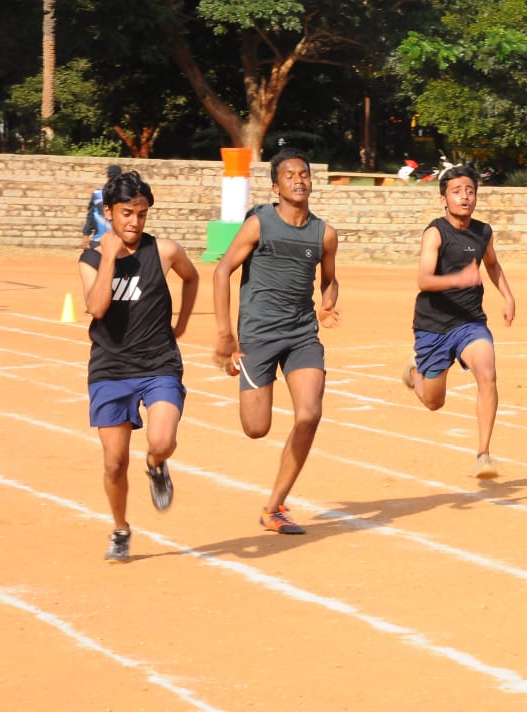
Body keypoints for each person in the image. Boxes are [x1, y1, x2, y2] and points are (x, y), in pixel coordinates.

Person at [212, 147, 340, 535]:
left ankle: (275, 507)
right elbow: (222, 271)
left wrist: (328, 303)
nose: (299, 180)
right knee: (256, 427)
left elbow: (329, 279)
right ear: (275, 186)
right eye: (289, 175)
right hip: (259, 335)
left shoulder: (324, 233)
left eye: (304, 174)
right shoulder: (259, 224)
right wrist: (225, 334)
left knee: (309, 414)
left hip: (302, 335)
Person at [77, 171, 199, 562]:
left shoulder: (164, 251)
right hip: (110, 368)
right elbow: (97, 308)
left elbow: (192, 277)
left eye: (141, 214)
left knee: (162, 442)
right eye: (127, 213)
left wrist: (182, 323)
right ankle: (120, 528)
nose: (134, 221)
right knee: (114, 463)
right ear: (109, 213)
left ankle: (156, 465)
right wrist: (109, 255)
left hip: (159, 363)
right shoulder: (91, 259)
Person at [402, 164, 516, 478]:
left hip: (470, 322)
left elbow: (492, 264)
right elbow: (424, 280)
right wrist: (458, 279)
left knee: (487, 374)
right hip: (433, 325)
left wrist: (508, 296)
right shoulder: (435, 233)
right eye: (457, 192)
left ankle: (483, 455)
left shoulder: (483, 232)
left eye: (470, 191)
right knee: (433, 402)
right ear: (444, 200)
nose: (465, 197)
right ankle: (415, 372)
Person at [81, 164, 122, 249]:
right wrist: (86, 233)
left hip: (111, 241)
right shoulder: (124, 195)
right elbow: (91, 214)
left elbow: (91, 215)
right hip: (103, 241)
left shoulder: (98, 193)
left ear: (107, 177)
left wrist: (86, 234)